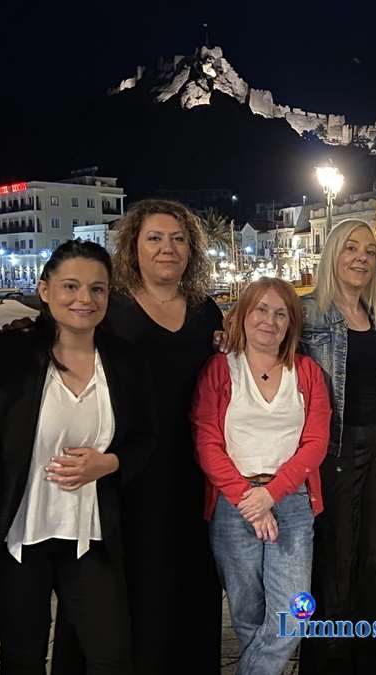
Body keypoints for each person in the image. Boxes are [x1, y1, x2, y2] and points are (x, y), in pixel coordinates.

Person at [0, 240, 153, 674]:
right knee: (23, 655)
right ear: (45, 290)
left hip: (89, 534)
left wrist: (110, 463)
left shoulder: (124, 361)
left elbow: (146, 437)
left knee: (111, 654)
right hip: (19, 534)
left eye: (97, 289)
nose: (85, 299)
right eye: (70, 286)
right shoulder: (11, 355)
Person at [50, 199, 225, 673]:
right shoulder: (110, 309)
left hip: (190, 469)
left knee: (187, 581)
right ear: (133, 247)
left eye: (178, 239)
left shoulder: (206, 312)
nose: (168, 248)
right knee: (122, 588)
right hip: (123, 467)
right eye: (155, 238)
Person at [193, 277, 331, 675]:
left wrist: (270, 495)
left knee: (292, 614)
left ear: (291, 324)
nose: (269, 320)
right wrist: (248, 499)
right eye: (261, 309)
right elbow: (207, 442)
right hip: (233, 504)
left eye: (280, 314)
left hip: (291, 501)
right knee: (247, 614)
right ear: (243, 315)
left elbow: (315, 443)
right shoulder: (220, 369)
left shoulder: (306, 372)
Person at [298, 221, 376, 674]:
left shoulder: (374, 312)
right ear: (333, 255)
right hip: (335, 449)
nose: (361, 257)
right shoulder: (308, 313)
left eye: (370, 251)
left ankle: (373, 656)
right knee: (335, 558)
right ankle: (329, 659)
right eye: (351, 248)